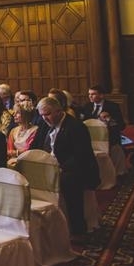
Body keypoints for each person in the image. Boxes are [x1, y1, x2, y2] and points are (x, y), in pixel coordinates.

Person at [31, 96, 100, 236]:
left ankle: (77, 228)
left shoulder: (76, 127)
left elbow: (81, 156)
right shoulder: (44, 124)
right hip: (49, 167)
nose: (44, 118)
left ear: (59, 111)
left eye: (48, 114)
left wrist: (58, 168)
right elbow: (35, 146)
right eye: (42, 115)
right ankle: (42, 229)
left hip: (74, 169)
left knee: (69, 182)